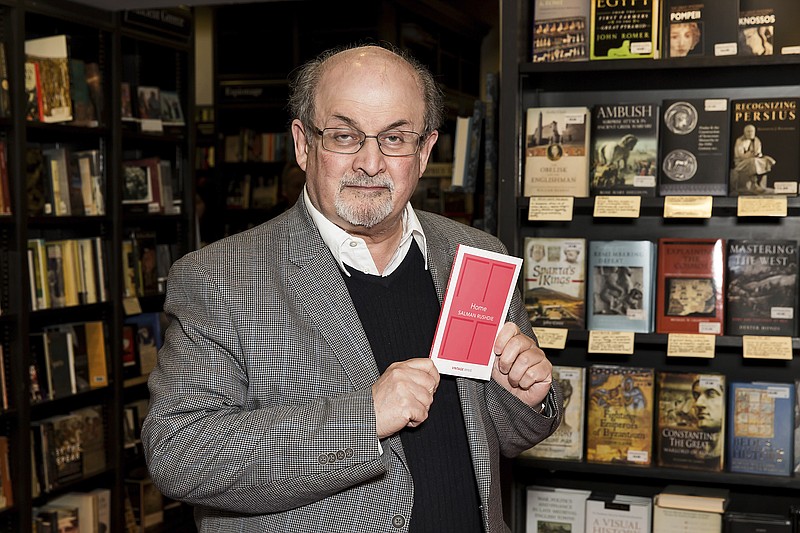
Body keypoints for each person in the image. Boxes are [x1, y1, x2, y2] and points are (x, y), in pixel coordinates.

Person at [142, 43, 562, 533]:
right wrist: (365, 417)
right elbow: (180, 454)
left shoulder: (474, 255)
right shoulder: (220, 278)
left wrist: (523, 398)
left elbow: (505, 436)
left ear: (425, 151)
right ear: (303, 144)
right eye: (344, 136)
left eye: (395, 138)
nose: (370, 162)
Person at [732, 124, 776, 193]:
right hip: (741, 163)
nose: (750, 133)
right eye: (748, 131)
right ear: (744, 132)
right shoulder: (739, 141)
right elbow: (740, 155)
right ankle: (754, 184)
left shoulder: (757, 140)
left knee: (767, 160)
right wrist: (750, 155)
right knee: (753, 161)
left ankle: (761, 184)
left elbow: (758, 153)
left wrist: (757, 155)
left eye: (752, 131)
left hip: (754, 158)